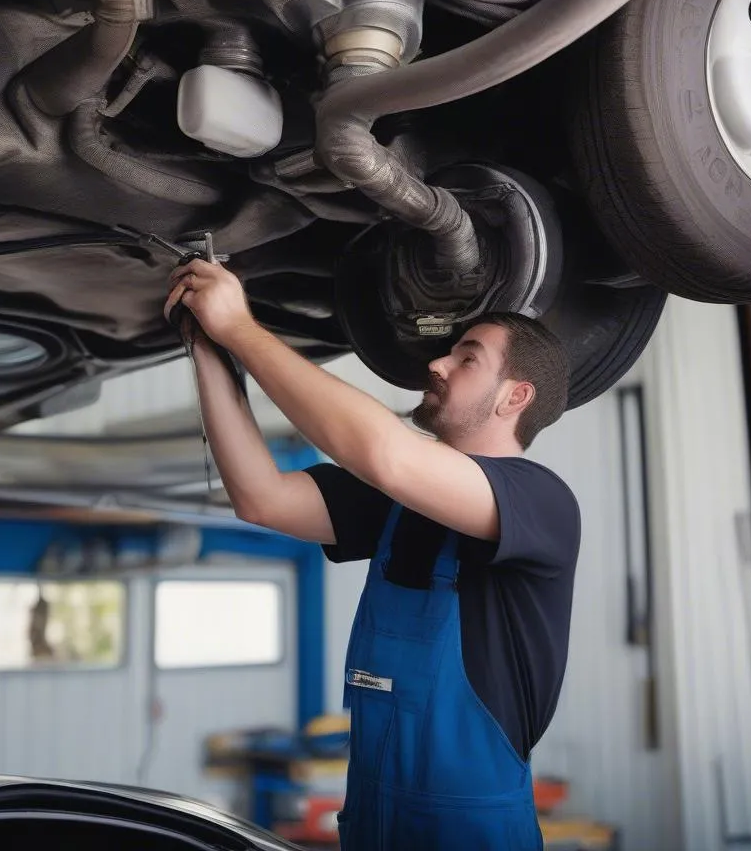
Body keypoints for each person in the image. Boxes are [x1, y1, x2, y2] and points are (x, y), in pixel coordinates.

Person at [165, 258, 580, 851]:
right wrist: (207, 346)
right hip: (375, 823)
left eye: (467, 359)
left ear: (515, 396)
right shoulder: (399, 502)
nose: (436, 365)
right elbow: (261, 498)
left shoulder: (541, 501)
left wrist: (240, 328)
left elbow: (387, 455)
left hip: (471, 833)